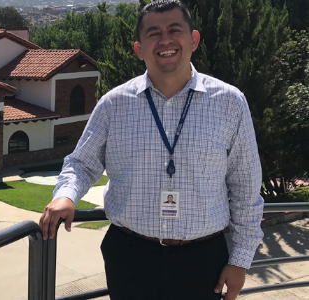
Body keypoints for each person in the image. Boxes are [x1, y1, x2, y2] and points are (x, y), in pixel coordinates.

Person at [39, 1, 264, 300]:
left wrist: (240, 261)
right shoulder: (113, 104)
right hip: (130, 256)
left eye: (175, 30)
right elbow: (82, 163)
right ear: (139, 49)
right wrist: (65, 197)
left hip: (204, 259)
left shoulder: (230, 102)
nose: (166, 41)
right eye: (153, 33)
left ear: (193, 39)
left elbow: (246, 187)